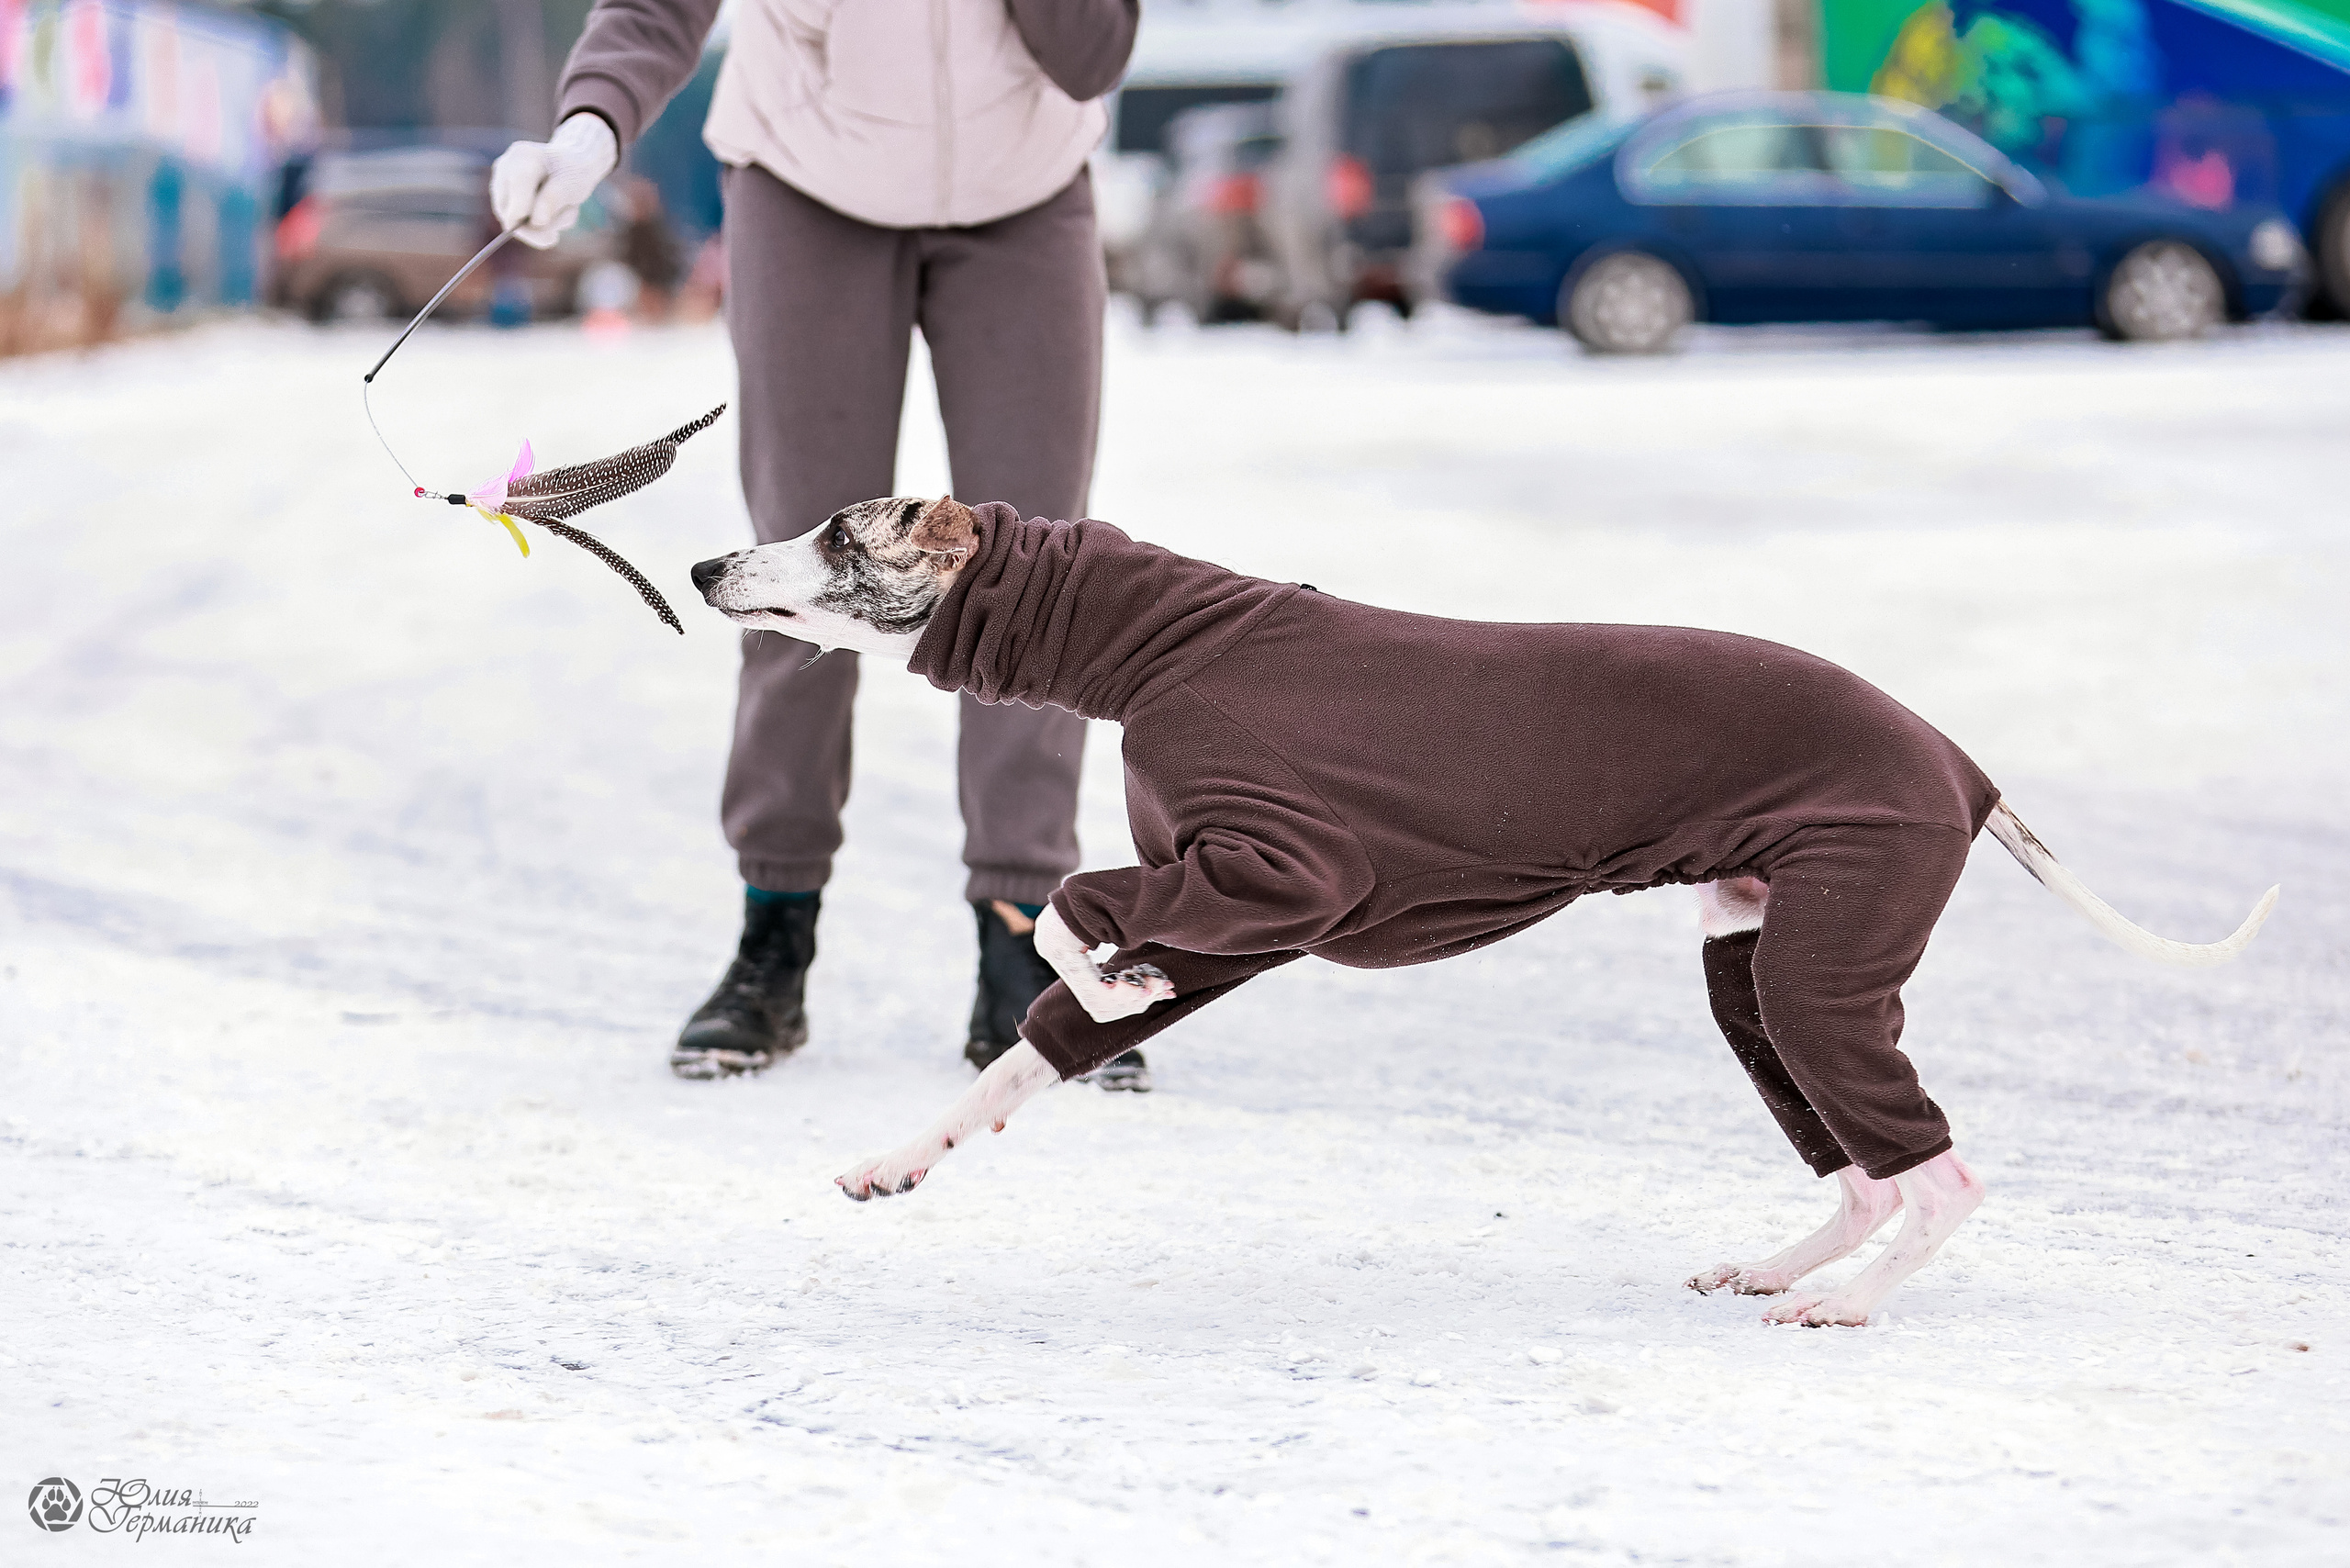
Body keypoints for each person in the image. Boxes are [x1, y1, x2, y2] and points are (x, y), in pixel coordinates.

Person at [490, 0, 1147, 1089]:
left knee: (1033, 587)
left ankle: (1024, 939)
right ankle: (774, 930)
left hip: (1025, 199)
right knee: (796, 578)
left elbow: (1094, 54)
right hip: (808, 190)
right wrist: (589, 129)